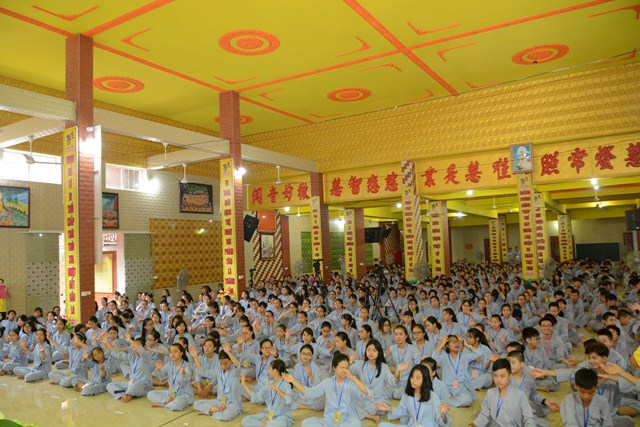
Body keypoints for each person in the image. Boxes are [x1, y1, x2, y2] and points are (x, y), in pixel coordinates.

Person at [283, 352, 371, 427]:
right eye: (342, 368)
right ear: (334, 368)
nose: (345, 370)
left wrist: (353, 378)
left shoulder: (352, 383)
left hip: (348, 420)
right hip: (331, 420)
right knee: (306, 423)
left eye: (347, 368)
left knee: (356, 424)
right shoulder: (327, 382)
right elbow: (310, 393)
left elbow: (366, 393)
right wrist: (293, 381)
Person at [469, 358, 536, 427]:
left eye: (502, 376)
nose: (498, 380)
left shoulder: (520, 395)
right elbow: (485, 414)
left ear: (510, 376)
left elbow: (529, 419)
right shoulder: (490, 393)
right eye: (495, 375)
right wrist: (474, 425)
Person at [377, 364, 450, 427]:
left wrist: (442, 413)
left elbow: (441, 421)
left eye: (418, 378)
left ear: (425, 380)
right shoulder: (407, 393)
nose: (413, 380)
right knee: (382, 425)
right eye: (412, 377)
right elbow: (403, 411)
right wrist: (389, 408)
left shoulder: (433, 396)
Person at [193, 343, 244, 421]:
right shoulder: (218, 370)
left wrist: (228, 352)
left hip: (232, 404)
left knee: (225, 416)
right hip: (220, 402)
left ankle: (211, 412)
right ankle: (216, 410)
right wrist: (195, 357)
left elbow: (238, 364)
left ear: (231, 361)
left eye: (226, 363)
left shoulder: (235, 371)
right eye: (221, 364)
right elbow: (203, 372)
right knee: (196, 404)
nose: (223, 366)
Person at [349, 339, 396, 424]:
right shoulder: (360, 364)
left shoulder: (384, 367)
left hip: (378, 399)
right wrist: (350, 362)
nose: (370, 353)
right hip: (364, 398)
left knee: (380, 406)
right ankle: (371, 416)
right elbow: (348, 371)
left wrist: (398, 373)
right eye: (368, 350)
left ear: (379, 353)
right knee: (349, 402)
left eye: (374, 350)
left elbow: (393, 381)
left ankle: (366, 413)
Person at [241, 359, 295, 427]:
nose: (268, 371)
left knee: (282, 424)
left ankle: (265, 424)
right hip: (268, 415)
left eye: (269, 368)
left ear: (275, 371)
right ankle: (266, 424)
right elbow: (257, 397)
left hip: (282, 417)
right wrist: (244, 385)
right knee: (246, 420)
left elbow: (289, 400)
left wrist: (277, 389)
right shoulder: (269, 384)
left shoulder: (287, 385)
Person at [104, 333, 154, 402]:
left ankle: (127, 393)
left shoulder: (146, 356)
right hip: (132, 383)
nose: (135, 348)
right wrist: (107, 342)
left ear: (144, 347)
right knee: (109, 385)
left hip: (144, 385)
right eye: (133, 347)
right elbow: (117, 354)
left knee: (133, 387)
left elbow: (141, 351)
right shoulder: (131, 356)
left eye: (137, 346)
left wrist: (130, 340)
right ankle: (123, 395)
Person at [147, 342, 194, 411]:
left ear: (181, 353)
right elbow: (161, 375)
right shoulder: (169, 364)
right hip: (171, 394)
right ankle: (167, 401)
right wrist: (157, 369)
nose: (172, 354)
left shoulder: (187, 365)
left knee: (177, 405)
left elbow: (188, 378)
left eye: (175, 352)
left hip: (183, 395)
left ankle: (163, 403)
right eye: (171, 352)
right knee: (150, 394)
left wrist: (183, 373)